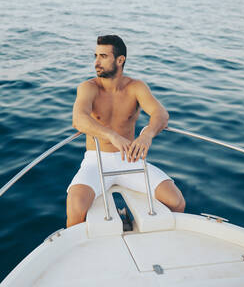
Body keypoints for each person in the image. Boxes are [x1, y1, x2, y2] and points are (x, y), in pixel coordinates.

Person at [67, 35, 185, 228]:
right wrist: (111, 135)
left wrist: (146, 134)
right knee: (76, 206)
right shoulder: (88, 88)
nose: (96, 62)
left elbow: (161, 114)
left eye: (103, 56)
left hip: (129, 159)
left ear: (120, 60)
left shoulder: (135, 87)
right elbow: (78, 119)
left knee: (176, 202)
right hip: (96, 161)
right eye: (95, 56)